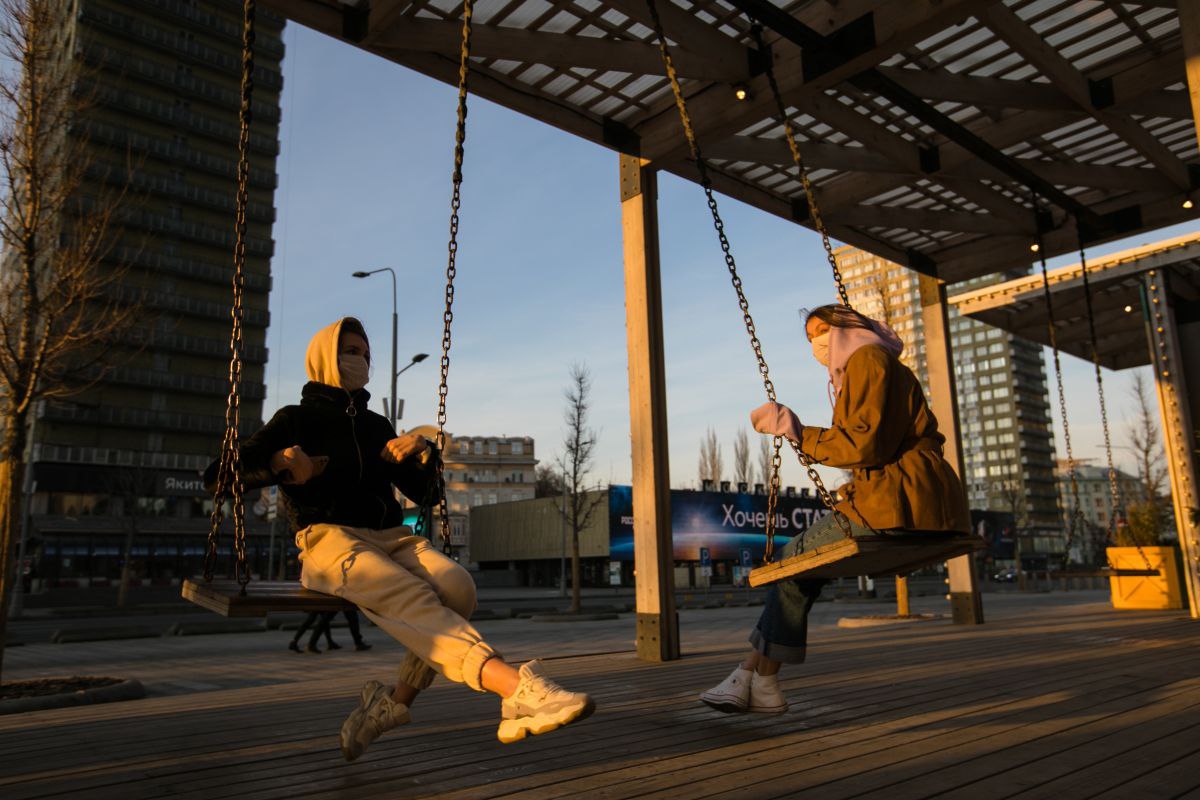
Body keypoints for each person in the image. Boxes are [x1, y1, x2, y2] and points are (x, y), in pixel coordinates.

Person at [208, 317, 593, 760]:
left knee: (458, 587)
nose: (362, 361)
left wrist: (422, 455)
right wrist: (278, 463)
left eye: (366, 354)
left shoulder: (376, 426)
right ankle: (517, 690)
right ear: (324, 358)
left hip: (392, 536)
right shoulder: (294, 419)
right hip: (330, 539)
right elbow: (218, 478)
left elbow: (424, 495)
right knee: (410, 595)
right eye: (351, 352)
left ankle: (390, 706)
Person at [700, 304, 970, 713]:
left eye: (822, 330)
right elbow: (881, 445)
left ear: (850, 327)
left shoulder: (867, 360)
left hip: (903, 504)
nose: (817, 343)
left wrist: (796, 430)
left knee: (791, 562)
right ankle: (750, 678)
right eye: (809, 337)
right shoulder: (878, 365)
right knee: (803, 571)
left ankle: (760, 678)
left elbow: (861, 444)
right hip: (917, 500)